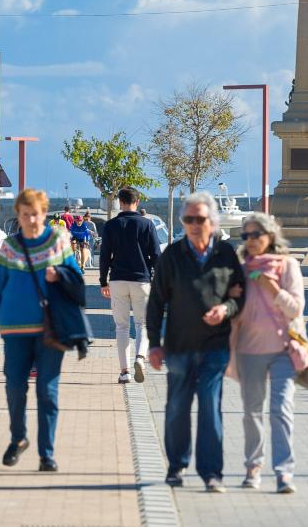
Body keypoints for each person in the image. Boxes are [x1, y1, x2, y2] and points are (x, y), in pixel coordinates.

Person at [146, 191, 244, 492]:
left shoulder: (225, 253)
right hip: (179, 345)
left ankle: (211, 473)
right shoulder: (172, 255)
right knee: (177, 406)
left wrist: (225, 309)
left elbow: (240, 295)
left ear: (212, 221)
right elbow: (156, 302)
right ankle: (176, 466)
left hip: (215, 346)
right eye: (188, 219)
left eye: (199, 219)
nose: (193, 224)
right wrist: (153, 343)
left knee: (210, 408)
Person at [0, 188, 82, 472]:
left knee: (47, 391)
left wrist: (59, 274)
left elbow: (76, 279)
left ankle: (46, 454)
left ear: (44, 214)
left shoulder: (57, 242)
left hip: (51, 329)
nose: (30, 220)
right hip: (14, 330)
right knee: (14, 387)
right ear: (18, 215)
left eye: (36, 214)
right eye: (25, 214)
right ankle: (18, 438)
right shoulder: (9, 247)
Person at [229, 213, 305, 494]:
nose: (250, 240)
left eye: (255, 235)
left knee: (281, 410)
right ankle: (253, 466)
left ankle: (284, 472)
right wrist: (231, 299)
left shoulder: (287, 266)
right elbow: (233, 313)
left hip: (283, 350)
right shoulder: (240, 270)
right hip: (249, 351)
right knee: (252, 412)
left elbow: (295, 309)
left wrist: (272, 288)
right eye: (245, 236)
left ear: (270, 236)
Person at [100, 187, 161, 384]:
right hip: (141, 280)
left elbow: (104, 256)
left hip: (118, 280)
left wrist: (103, 281)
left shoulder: (110, 225)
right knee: (143, 324)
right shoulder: (147, 224)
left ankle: (124, 372)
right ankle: (140, 358)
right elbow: (156, 255)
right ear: (138, 201)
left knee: (121, 327)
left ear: (120, 202)